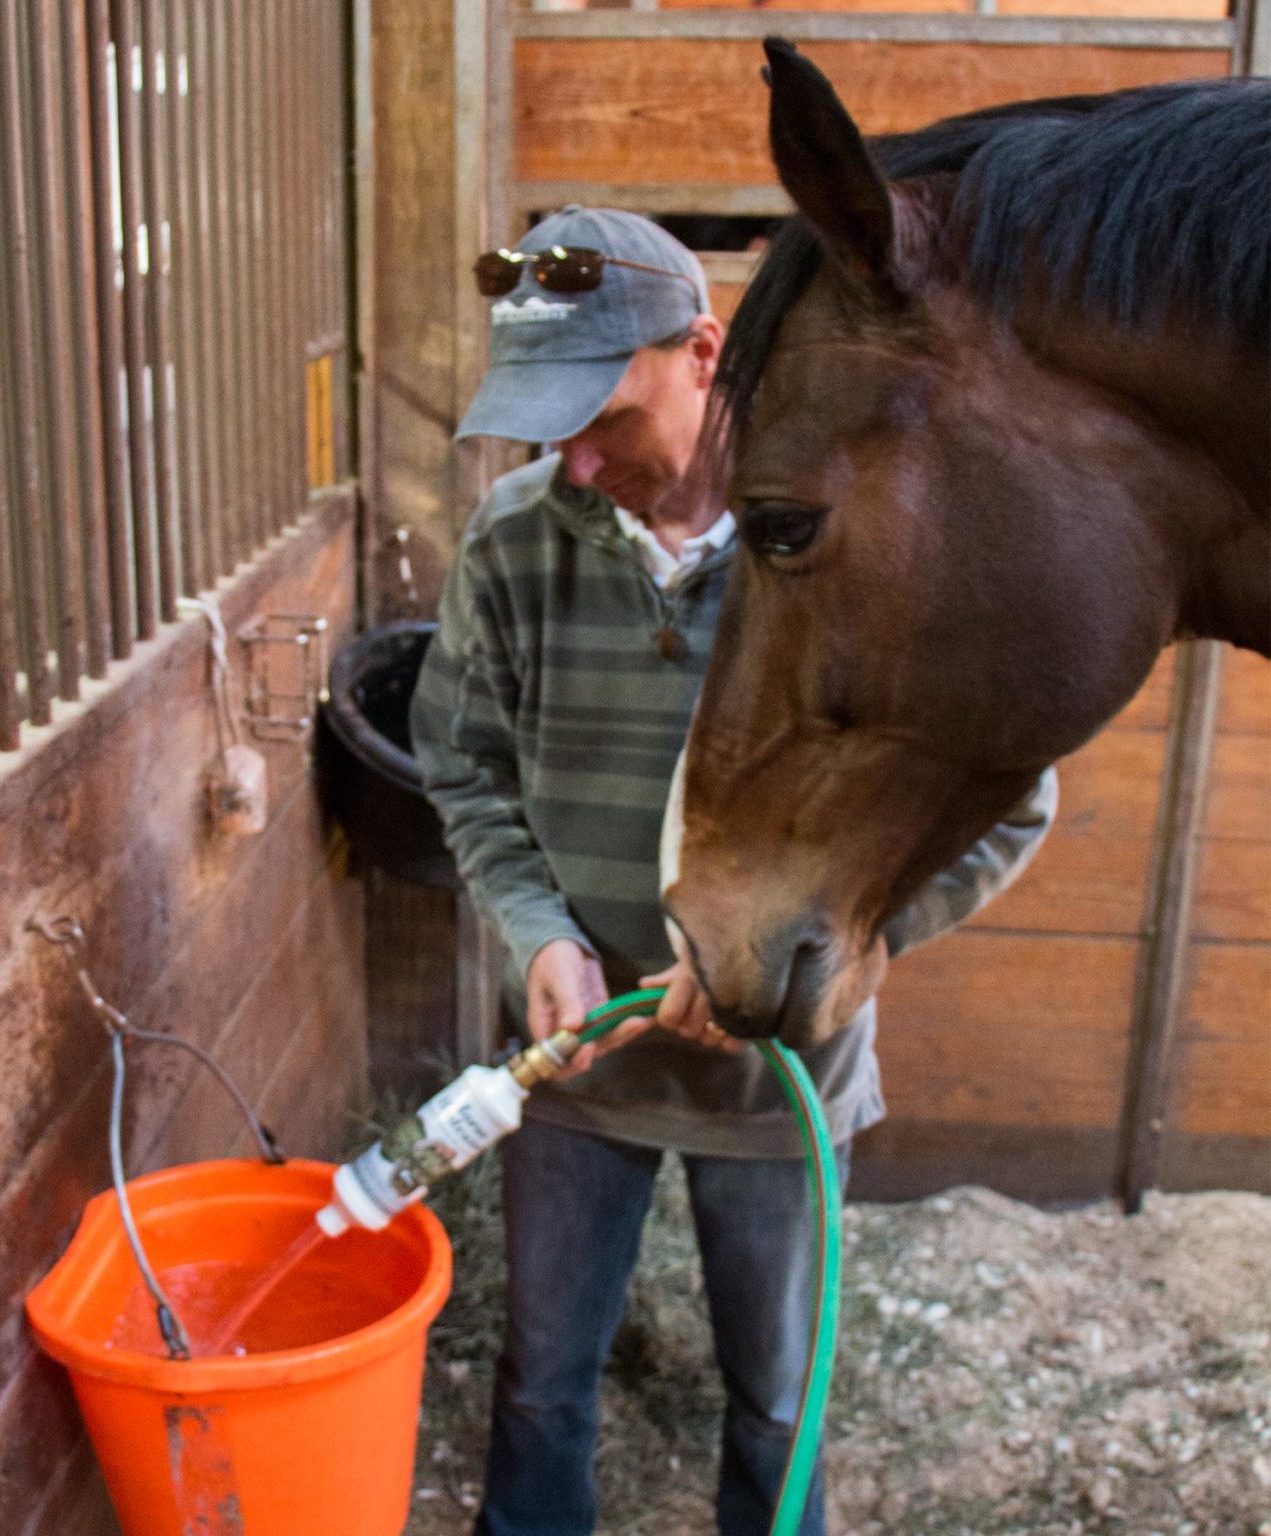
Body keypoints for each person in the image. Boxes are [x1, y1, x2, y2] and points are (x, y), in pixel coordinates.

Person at [409, 206, 1058, 1536]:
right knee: (540, 1389)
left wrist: (805, 957)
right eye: (547, 427)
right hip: (577, 1062)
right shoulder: (515, 544)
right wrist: (539, 935)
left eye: (606, 416)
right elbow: (463, 768)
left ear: (704, 351)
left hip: (780, 1078)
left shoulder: (858, 545)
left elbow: (1008, 798)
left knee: (775, 1397)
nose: (577, 461)